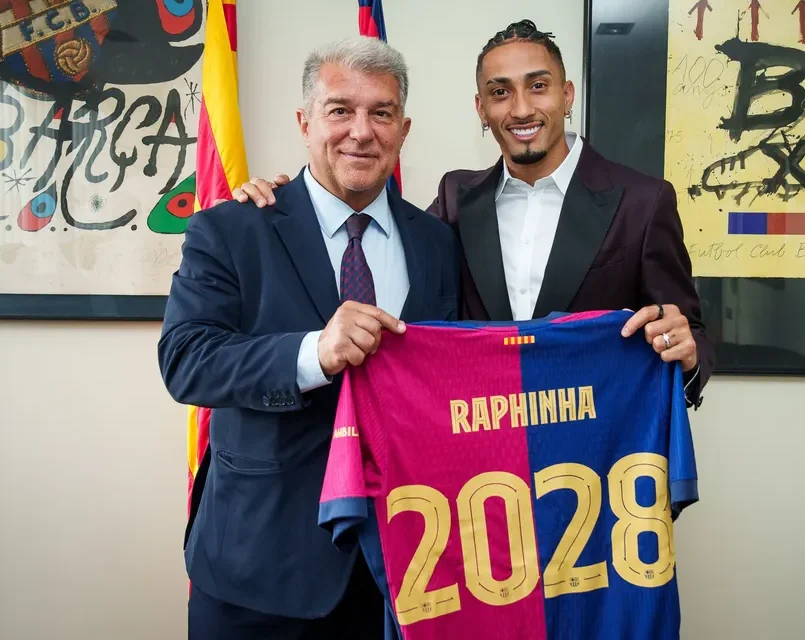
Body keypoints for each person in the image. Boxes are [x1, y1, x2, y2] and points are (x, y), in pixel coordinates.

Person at [233, 20, 714, 406]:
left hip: (597, 453)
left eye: (538, 86)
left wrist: (688, 355)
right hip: (481, 464)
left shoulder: (643, 200)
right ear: (481, 109)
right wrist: (291, 197)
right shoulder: (457, 198)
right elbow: (380, 227)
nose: (520, 109)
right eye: (500, 92)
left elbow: (690, 332)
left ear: (567, 95)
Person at [158, 37, 459, 640]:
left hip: (401, 573)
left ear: (403, 130)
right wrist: (312, 354)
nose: (361, 132)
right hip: (258, 569)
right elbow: (186, 360)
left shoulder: (438, 242)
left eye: (381, 113)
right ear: (305, 122)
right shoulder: (233, 228)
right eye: (339, 110)